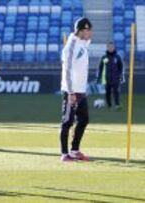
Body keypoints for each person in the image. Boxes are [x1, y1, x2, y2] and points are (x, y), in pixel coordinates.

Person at [59, 17, 92, 162]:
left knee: (84, 120)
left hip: (81, 90)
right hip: (71, 91)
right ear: (82, 30)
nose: (91, 33)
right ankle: (64, 154)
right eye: (89, 30)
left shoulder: (83, 43)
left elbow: (85, 42)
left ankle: (75, 150)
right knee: (67, 122)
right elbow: (67, 70)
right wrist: (71, 92)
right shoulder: (71, 45)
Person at [97, 41, 124, 110]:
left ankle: (117, 105)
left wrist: (121, 76)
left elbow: (120, 67)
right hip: (107, 78)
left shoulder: (117, 57)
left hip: (116, 78)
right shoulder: (104, 57)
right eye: (109, 47)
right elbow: (101, 67)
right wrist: (99, 77)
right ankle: (109, 105)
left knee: (116, 92)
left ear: (114, 48)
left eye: (112, 47)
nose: (111, 48)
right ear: (107, 47)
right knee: (108, 92)